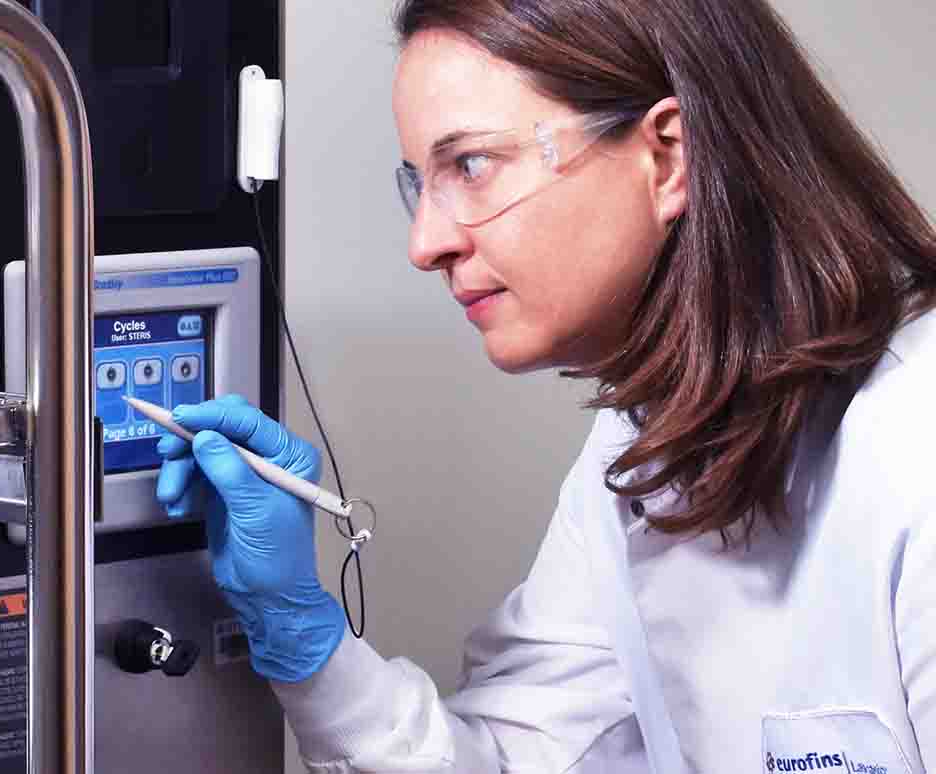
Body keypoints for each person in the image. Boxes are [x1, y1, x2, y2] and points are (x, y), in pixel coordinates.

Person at [156, 0, 936, 771]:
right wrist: (301, 633)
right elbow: (512, 760)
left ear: (668, 158)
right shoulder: (641, 447)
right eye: (420, 183)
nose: (425, 243)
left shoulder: (915, 439)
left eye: (471, 166)